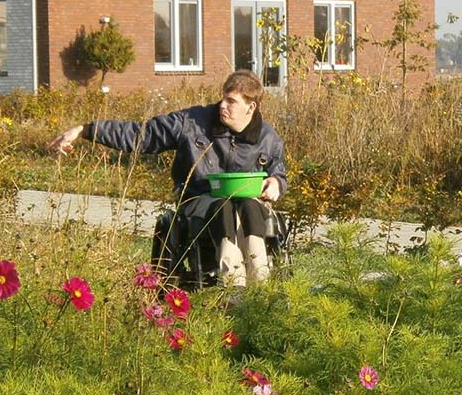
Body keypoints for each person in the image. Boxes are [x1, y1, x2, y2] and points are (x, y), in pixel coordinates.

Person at [48, 69, 286, 288]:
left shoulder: (268, 138)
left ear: (251, 106)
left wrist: (276, 183)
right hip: (199, 200)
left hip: (248, 206)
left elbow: (278, 173)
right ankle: (234, 285)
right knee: (222, 208)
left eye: (231, 101)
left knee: (248, 206)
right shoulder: (192, 123)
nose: (222, 105)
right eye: (223, 97)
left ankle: (260, 285)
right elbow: (141, 135)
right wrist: (85, 130)